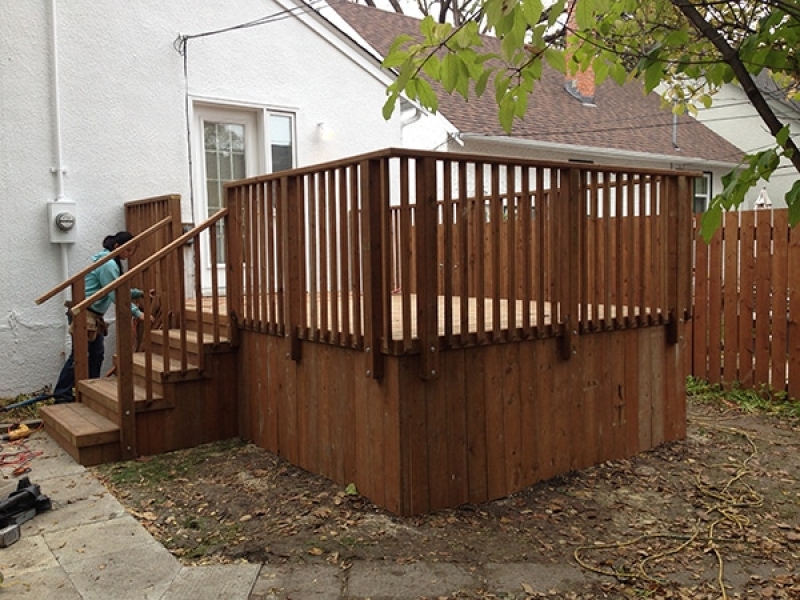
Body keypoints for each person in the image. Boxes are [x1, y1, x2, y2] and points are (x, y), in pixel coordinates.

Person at [52, 231, 146, 403]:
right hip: (85, 315)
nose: (129, 254)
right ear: (117, 246)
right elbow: (114, 293)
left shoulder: (111, 261)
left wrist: (138, 293)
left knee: (96, 354)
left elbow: (116, 288)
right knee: (80, 356)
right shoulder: (108, 264)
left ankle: (89, 389)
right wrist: (137, 313)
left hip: (92, 315)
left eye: (132, 251)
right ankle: (62, 395)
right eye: (128, 250)